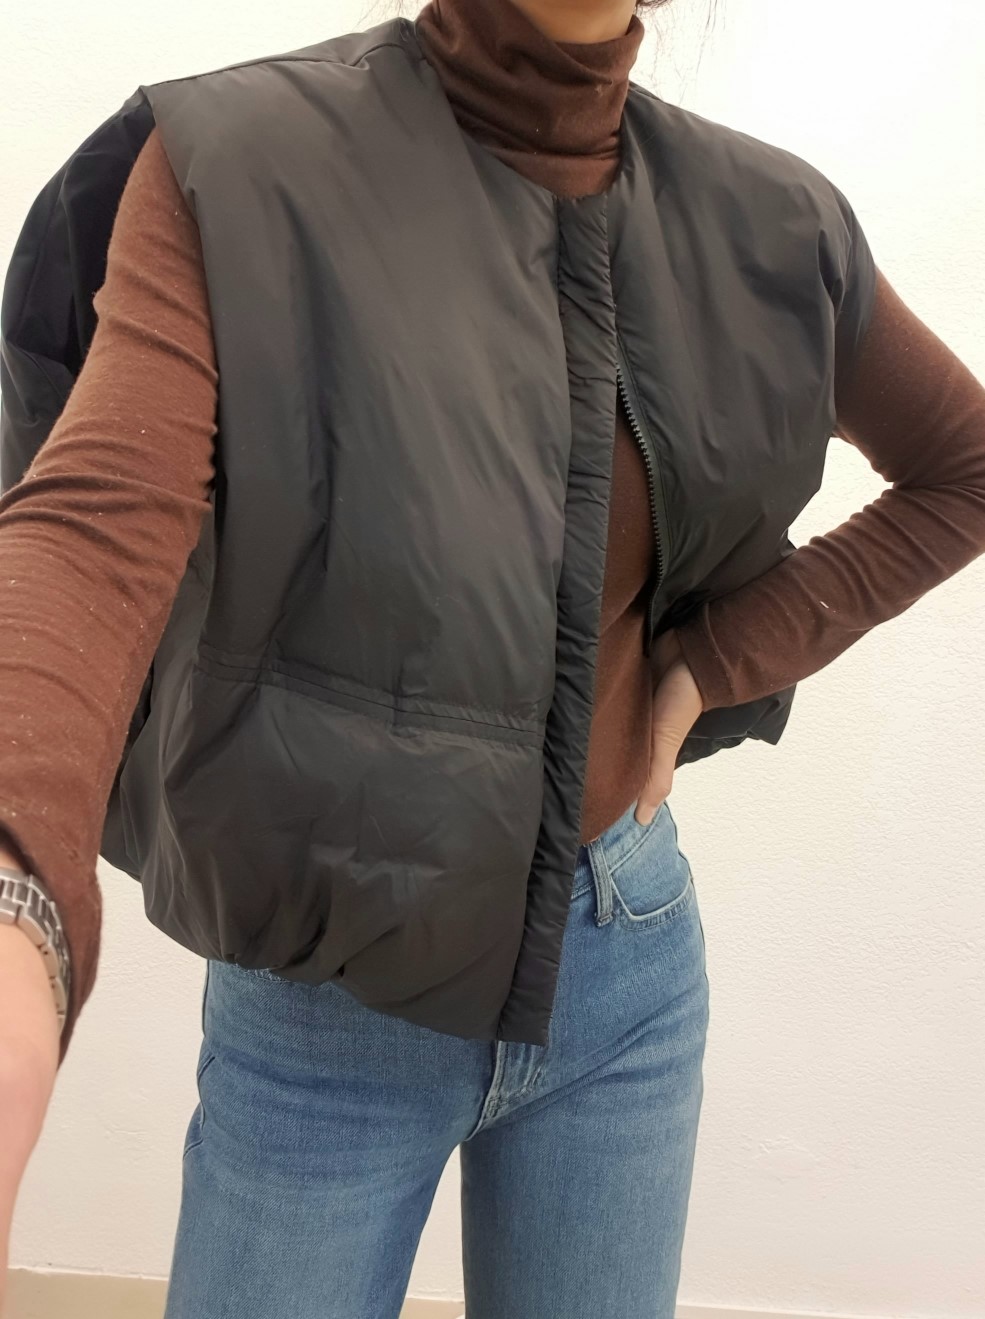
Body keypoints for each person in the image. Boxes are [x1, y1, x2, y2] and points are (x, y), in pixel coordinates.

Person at [2, 0, 984, 1313]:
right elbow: (96, 523)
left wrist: (712, 662)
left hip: (624, 968)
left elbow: (963, 467)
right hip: (326, 1001)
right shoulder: (236, 164)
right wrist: (18, 892)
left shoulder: (769, 222)